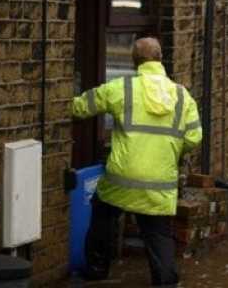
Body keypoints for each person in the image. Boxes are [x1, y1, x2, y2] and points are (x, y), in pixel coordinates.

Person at [71, 37, 202, 287]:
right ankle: (165, 281)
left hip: (121, 179)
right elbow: (194, 138)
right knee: (158, 234)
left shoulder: (122, 88)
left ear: (134, 61)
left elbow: (79, 107)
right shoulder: (182, 96)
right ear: (160, 58)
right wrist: (171, 151)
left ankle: (97, 270)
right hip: (160, 183)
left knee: (103, 216)